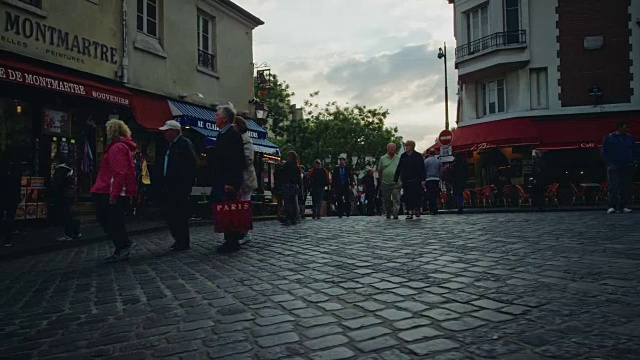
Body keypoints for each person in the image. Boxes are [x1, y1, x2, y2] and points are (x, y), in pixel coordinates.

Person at [91, 119, 137, 261]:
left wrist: (114, 193)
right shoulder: (122, 147)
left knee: (109, 220)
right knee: (114, 220)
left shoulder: (116, 148)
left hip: (108, 189)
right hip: (111, 189)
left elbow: (119, 172)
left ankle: (122, 245)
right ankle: (122, 245)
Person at [210, 104, 245, 253]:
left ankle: (232, 241)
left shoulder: (232, 134)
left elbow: (236, 160)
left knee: (229, 209)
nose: (215, 117)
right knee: (224, 208)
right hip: (222, 178)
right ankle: (229, 239)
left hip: (227, 180)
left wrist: (232, 183)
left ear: (224, 118)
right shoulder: (223, 134)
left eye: (217, 115)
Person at [158, 119, 197, 252]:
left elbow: (191, 165)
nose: (165, 134)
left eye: (167, 131)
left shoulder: (183, 144)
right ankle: (178, 239)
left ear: (174, 131)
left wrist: (185, 183)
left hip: (179, 186)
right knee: (171, 214)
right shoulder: (170, 145)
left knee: (179, 214)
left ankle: (183, 241)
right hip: (169, 185)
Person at [602, 120, 639, 214]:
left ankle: (622, 206)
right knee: (614, 186)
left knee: (625, 186)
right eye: (625, 127)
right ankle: (611, 205)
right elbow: (605, 151)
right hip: (615, 164)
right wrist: (609, 162)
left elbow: (634, 150)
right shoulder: (610, 138)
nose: (627, 129)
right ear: (620, 127)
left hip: (627, 163)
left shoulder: (629, 138)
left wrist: (634, 160)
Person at [234, 116, 258, 244]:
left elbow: (247, 158)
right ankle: (242, 231)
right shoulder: (241, 139)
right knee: (242, 205)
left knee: (244, 205)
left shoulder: (245, 140)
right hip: (242, 178)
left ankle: (246, 233)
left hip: (246, 179)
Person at [51, 153, 81, 241]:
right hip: (68, 194)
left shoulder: (60, 170)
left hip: (62, 195)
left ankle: (68, 233)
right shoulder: (69, 169)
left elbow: (56, 184)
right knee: (68, 213)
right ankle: (75, 231)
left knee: (64, 214)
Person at [394, 140, 425, 219]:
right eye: (406, 146)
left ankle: (417, 209)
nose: (407, 147)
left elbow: (422, 168)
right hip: (406, 179)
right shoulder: (403, 156)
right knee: (408, 196)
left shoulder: (418, 156)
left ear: (412, 147)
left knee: (417, 195)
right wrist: (396, 178)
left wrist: (423, 179)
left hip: (416, 179)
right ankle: (409, 211)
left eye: (408, 146)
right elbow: (399, 167)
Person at [0, 157, 21, 247]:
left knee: (7, 217)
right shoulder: (15, 174)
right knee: (10, 217)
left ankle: (7, 237)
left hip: (5, 197)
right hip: (12, 198)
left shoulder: (4, 174)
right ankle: (8, 237)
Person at [378, 143, 401, 219]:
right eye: (390, 148)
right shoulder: (382, 158)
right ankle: (388, 212)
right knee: (386, 199)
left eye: (393, 148)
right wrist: (381, 180)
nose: (392, 149)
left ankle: (395, 213)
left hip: (396, 182)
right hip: (385, 182)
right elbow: (380, 170)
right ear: (387, 149)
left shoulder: (398, 158)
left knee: (396, 198)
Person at [281, 151, 302, 226]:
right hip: (294, 185)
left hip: (287, 185)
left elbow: (282, 175)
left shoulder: (286, 165)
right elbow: (299, 178)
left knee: (287, 203)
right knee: (294, 203)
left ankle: (288, 219)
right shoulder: (296, 166)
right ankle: (294, 219)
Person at [424, 150, 443, 215]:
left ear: (429, 154)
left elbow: (424, 170)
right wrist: (439, 177)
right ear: (435, 153)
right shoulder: (438, 161)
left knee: (430, 194)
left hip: (428, 179)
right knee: (435, 194)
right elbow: (441, 171)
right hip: (436, 179)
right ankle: (435, 208)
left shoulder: (426, 161)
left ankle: (431, 209)